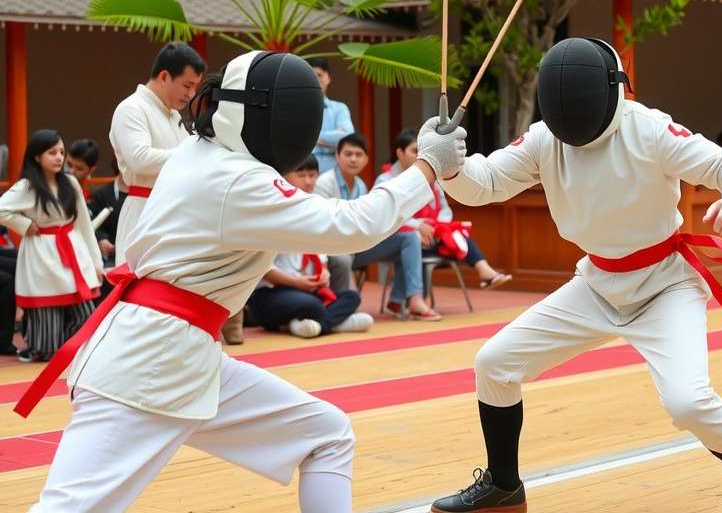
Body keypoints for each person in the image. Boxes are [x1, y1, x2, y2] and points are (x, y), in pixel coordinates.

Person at [16, 51, 466, 513]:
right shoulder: (237, 178)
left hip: (182, 354)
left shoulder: (199, 151)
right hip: (146, 363)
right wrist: (426, 167)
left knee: (326, 436)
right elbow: (353, 225)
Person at [429, 37, 722, 513]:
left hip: (665, 284)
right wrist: (449, 165)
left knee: (687, 403)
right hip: (597, 283)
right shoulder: (545, 138)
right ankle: (503, 486)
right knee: (494, 364)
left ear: (612, 90)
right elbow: (485, 185)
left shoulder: (649, 129)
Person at [0, 130, 103, 363]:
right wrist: (25, 224)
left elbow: (84, 225)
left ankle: (70, 348)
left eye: (61, 152)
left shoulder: (71, 183)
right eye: (52, 152)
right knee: (46, 344)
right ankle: (46, 348)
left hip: (72, 249)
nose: (59, 157)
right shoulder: (27, 186)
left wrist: (96, 262)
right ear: (37, 156)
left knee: (86, 316)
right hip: (42, 253)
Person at [316, 133, 441, 321]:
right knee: (343, 257)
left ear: (366, 160)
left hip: (357, 245)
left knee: (409, 239)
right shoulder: (324, 184)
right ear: (337, 156)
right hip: (332, 247)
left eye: (358, 155)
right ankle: (347, 307)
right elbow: (323, 225)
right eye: (348, 154)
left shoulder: (360, 185)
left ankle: (409, 299)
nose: (353, 159)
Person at [246, 156, 373, 339]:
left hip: (307, 291)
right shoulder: (273, 212)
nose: (308, 181)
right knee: (311, 304)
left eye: (312, 175)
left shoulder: (316, 209)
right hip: (272, 293)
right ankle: (335, 323)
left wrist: (324, 274)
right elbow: (264, 269)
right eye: (301, 175)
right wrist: (296, 282)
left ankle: (309, 325)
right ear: (284, 176)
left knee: (352, 297)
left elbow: (321, 260)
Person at [376, 128, 512, 290]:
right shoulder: (385, 180)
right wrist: (418, 226)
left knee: (457, 233)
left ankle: (485, 271)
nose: (419, 157)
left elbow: (445, 211)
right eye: (414, 151)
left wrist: (436, 229)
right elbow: (385, 215)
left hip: (431, 235)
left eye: (422, 152)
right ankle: (415, 299)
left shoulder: (431, 177)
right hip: (401, 240)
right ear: (400, 153)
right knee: (413, 241)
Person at [110, 41, 205, 265]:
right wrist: (193, 152)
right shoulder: (132, 108)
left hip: (176, 212)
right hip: (144, 212)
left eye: (195, 87)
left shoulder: (174, 115)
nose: (191, 94)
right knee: (141, 280)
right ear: (164, 76)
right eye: (187, 85)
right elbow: (139, 159)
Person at [308, 57, 355, 174]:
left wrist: (309, 137)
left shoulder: (340, 108)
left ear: (328, 78)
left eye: (319, 75)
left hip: (333, 171)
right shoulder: (295, 108)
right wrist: (331, 142)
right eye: (311, 75)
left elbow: (347, 137)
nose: (315, 79)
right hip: (303, 170)